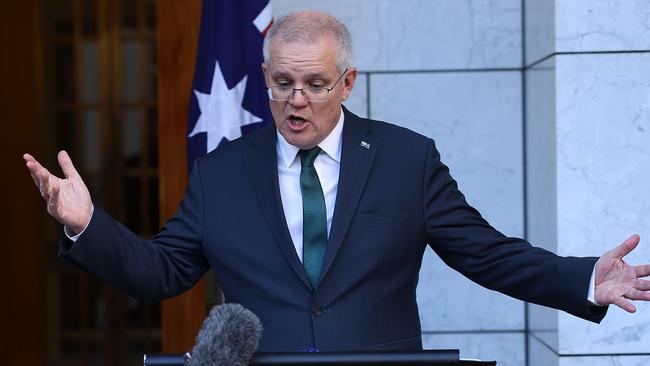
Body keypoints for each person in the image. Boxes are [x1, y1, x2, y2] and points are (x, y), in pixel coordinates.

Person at [23, 11, 650, 352]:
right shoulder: (222, 174)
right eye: (282, 84)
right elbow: (161, 272)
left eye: (316, 85)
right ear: (265, 79)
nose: (297, 101)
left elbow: (485, 254)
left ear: (348, 83)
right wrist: (86, 225)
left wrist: (584, 279)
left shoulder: (407, 160)